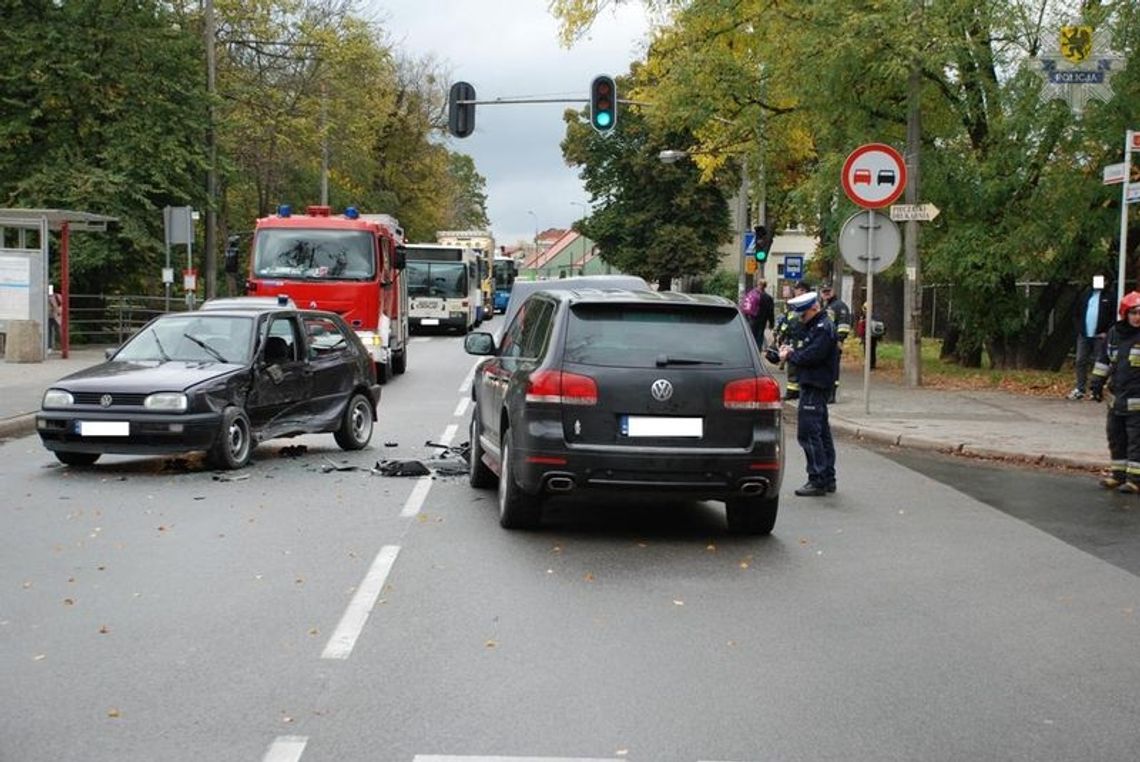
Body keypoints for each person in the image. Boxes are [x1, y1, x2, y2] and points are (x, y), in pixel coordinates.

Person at [779, 290, 839, 497]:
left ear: (814, 308)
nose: (801, 319)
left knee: (808, 432)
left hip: (815, 384)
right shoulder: (816, 326)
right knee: (821, 432)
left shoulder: (822, 328)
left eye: (803, 315)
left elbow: (813, 355)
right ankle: (827, 477)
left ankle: (817, 478)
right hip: (815, 383)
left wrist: (791, 355)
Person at [1090, 291, 1140, 493]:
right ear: (1125, 314)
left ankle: (1135, 480)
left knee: (1136, 441)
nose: (1138, 317)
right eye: (1134, 313)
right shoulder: (1114, 334)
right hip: (1117, 398)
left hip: (1137, 401)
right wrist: (1096, 382)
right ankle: (1118, 475)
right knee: (1116, 438)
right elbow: (1104, 360)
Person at [1068, 278, 1114, 401]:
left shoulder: (1110, 297)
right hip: (1084, 335)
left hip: (1100, 336)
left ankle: (1096, 389)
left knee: (1099, 363)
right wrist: (1080, 329)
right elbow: (1076, 313)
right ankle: (1080, 388)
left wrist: (1106, 332)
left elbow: (1113, 316)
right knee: (1080, 360)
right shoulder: (1086, 295)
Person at [771, 279, 813, 399]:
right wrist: (781, 333)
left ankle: (801, 390)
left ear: (804, 291)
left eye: (797, 290)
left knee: (802, 365)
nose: (795, 292)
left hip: (803, 339)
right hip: (793, 339)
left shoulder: (808, 304)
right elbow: (787, 320)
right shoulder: (793, 305)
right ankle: (792, 391)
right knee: (792, 366)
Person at [819, 282, 851, 402]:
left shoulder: (840, 306)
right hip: (823, 343)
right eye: (824, 291)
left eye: (828, 291)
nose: (826, 293)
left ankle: (831, 394)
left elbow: (843, 326)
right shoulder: (826, 306)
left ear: (834, 291)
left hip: (833, 343)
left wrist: (840, 340)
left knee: (832, 369)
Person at [739, 279, 775, 350]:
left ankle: (749, 352)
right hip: (761, 321)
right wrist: (771, 324)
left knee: (750, 337)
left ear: (757, 285)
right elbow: (770, 312)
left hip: (750, 319)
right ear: (765, 286)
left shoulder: (751, 294)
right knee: (759, 339)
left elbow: (744, 306)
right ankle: (757, 354)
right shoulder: (768, 298)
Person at [855, 303, 883, 369]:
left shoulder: (866, 317)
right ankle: (872, 364)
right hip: (872, 336)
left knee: (868, 350)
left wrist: (861, 336)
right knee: (872, 350)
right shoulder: (875, 316)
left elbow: (861, 328)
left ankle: (870, 365)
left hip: (868, 336)